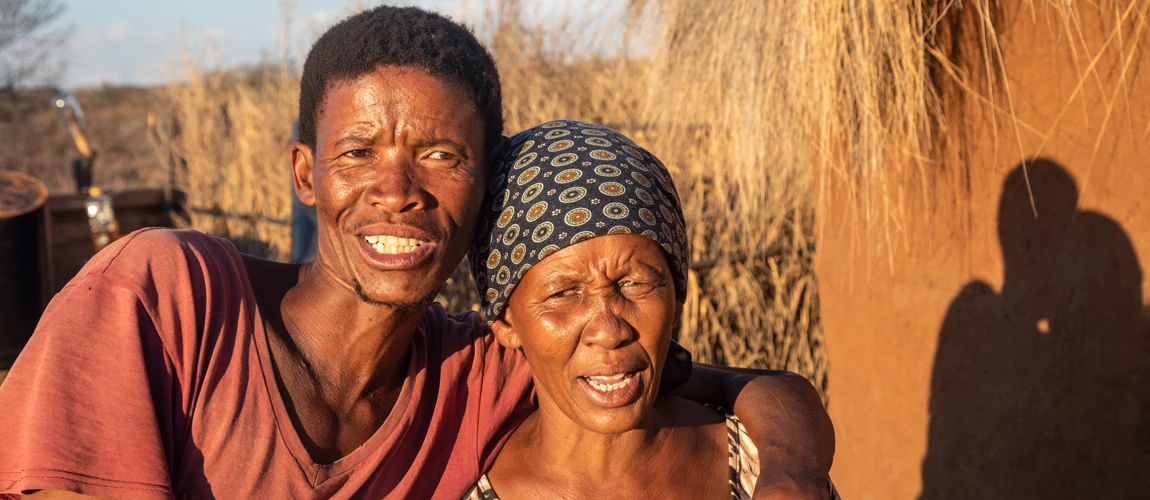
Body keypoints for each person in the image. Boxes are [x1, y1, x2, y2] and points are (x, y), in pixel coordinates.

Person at [0, 6, 832, 500]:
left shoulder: (481, 370)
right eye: (358, 151)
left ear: (481, 192)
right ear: (306, 174)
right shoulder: (165, 299)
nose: (396, 189)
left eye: (440, 154)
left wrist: (790, 474)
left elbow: (748, 386)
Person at [461, 120, 840, 499]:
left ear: (675, 297)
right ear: (506, 320)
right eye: (562, 293)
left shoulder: (767, 471)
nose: (609, 330)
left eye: (634, 283)